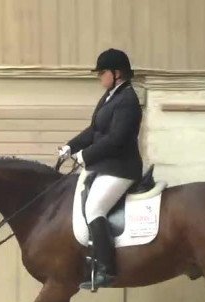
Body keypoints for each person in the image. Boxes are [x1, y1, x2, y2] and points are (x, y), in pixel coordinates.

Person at [58, 48, 143, 289]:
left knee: (95, 207)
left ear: (117, 73)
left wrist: (86, 154)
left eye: (102, 72)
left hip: (122, 168)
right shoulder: (109, 96)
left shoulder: (128, 100)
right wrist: (70, 146)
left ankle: (107, 268)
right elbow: (94, 130)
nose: (99, 77)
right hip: (105, 166)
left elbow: (116, 139)